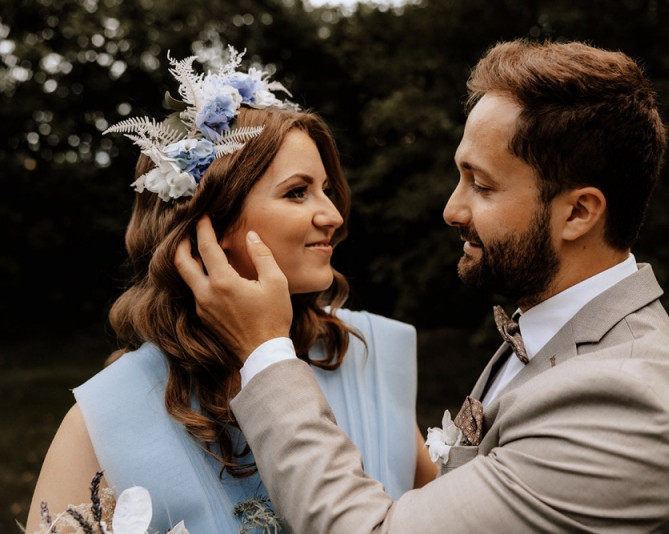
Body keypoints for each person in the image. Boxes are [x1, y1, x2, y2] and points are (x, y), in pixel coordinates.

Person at [176, 39, 669, 532]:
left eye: (481, 185)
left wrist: (266, 353)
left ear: (578, 212)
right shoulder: (553, 329)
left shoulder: (625, 407)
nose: (451, 208)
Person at [26, 49, 436, 533]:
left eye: (326, 189)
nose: (333, 215)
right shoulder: (111, 417)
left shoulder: (368, 357)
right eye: (297, 192)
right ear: (209, 223)